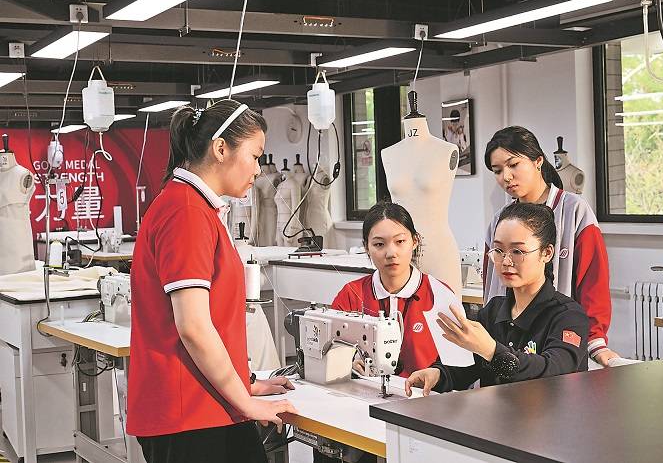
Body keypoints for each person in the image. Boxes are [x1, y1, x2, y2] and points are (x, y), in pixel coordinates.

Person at [127, 100, 297, 463]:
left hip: (202, 407)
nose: (258, 169)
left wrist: (245, 384)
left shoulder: (192, 207)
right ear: (221, 149)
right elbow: (193, 327)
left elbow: (210, 319)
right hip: (190, 414)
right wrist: (246, 402)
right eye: (254, 156)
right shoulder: (187, 213)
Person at [405, 202, 589, 396]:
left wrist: (491, 350)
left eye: (517, 252)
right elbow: (467, 366)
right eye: (499, 251)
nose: (506, 262)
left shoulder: (568, 316)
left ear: (547, 253)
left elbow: (554, 373)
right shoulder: (494, 311)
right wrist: (438, 374)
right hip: (495, 414)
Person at [482, 126, 619, 366]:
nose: (506, 177)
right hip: (506, 336)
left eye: (513, 165)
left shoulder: (574, 211)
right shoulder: (500, 220)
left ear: (538, 161)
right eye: (498, 171)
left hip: (558, 336)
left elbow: (593, 280)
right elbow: (491, 281)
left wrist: (595, 340)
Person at [331, 201, 458, 377]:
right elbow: (331, 352)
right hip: (364, 390)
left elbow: (458, 365)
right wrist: (348, 364)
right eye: (379, 244)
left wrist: (436, 375)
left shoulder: (439, 294)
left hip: (425, 393)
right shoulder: (351, 295)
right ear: (366, 247)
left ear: (415, 241)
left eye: (400, 241)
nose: (391, 253)